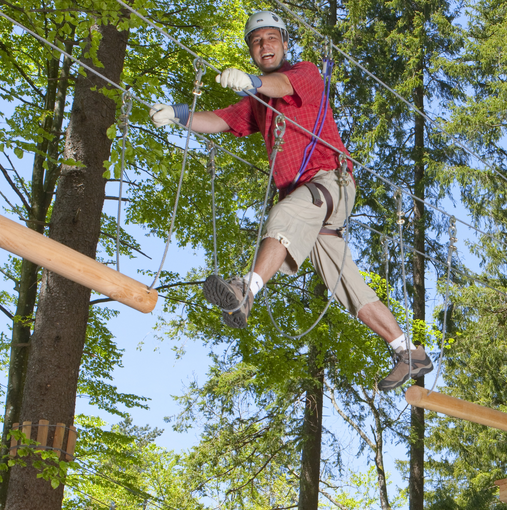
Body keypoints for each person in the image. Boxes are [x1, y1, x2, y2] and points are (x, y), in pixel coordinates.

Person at [149, 10, 432, 392]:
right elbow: (221, 120)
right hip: (311, 207)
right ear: (251, 50)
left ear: (284, 43)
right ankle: (407, 351)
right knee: (344, 284)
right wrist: (177, 115)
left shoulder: (306, 73)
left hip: (329, 181)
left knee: (284, 213)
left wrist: (251, 81)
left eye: (270, 38)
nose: (264, 45)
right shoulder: (256, 102)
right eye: (256, 41)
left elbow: (281, 85)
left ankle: (246, 290)